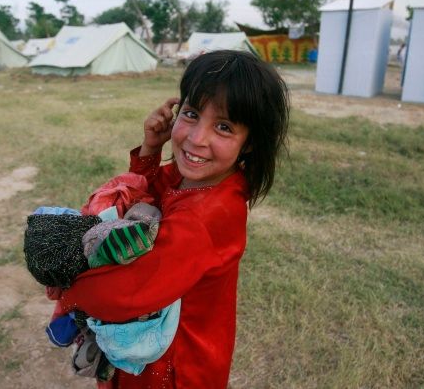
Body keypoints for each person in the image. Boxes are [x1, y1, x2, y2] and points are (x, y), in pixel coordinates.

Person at [56, 50, 290, 388]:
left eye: (223, 127)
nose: (197, 138)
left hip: (173, 366)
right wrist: (151, 150)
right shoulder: (203, 179)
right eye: (192, 114)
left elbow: (127, 292)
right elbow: (148, 196)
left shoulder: (206, 217)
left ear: (250, 143)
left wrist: (68, 290)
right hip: (162, 343)